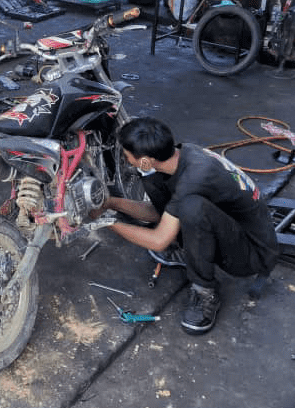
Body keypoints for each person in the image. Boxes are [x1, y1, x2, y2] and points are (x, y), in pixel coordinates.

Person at [103, 117, 279, 335]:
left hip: (253, 254)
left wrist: (104, 222)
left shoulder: (194, 178)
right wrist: (109, 203)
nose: (124, 160)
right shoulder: (182, 154)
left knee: (192, 208)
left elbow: (159, 240)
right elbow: (159, 214)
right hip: (232, 226)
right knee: (159, 185)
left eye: (126, 156)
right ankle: (192, 251)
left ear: (146, 161)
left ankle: (205, 291)